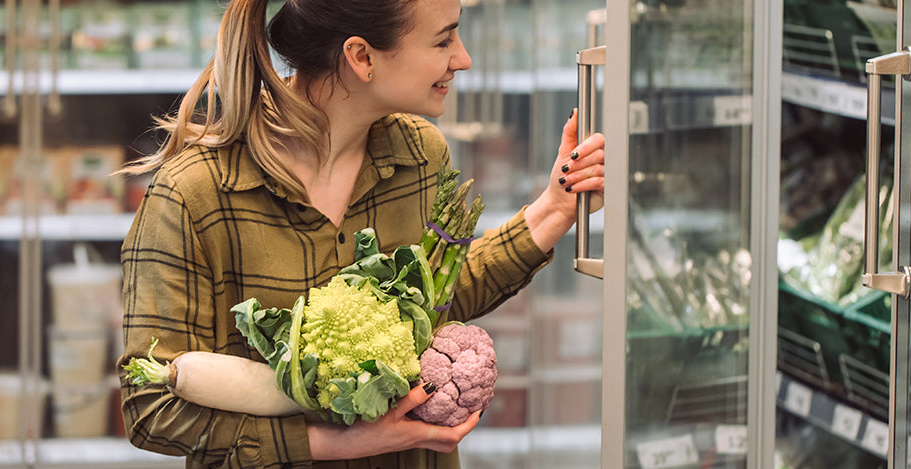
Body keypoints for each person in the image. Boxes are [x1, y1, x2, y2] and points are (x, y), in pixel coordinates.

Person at [113, 0, 605, 466]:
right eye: (443, 40)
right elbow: (150, 408)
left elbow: (433, 302)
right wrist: (332, 444)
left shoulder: (420, 154)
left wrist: (555, 209)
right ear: (361, 57)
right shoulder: (195, 193)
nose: (463, 59)